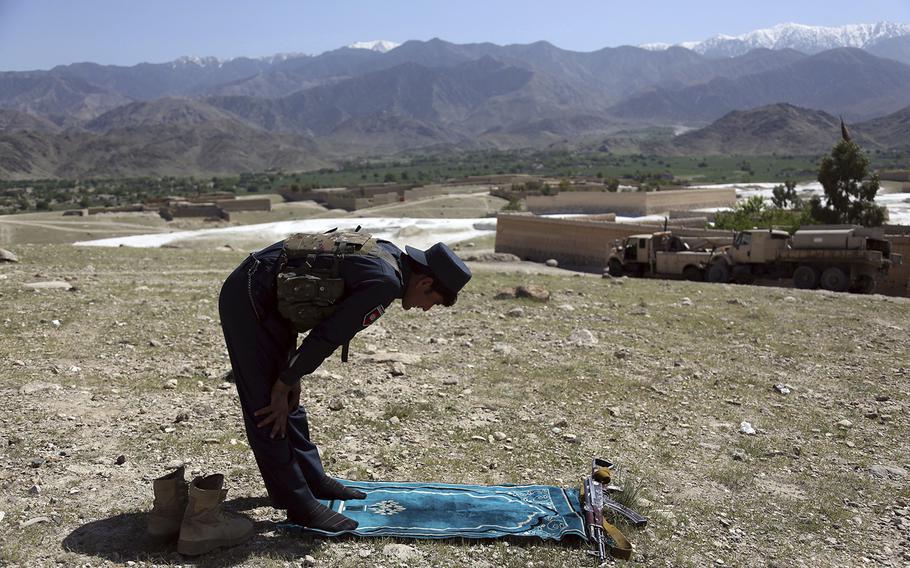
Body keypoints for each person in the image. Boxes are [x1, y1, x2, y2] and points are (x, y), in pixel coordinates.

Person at [217, 233, 471, 533]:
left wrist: (291, 375)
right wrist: (285, 380)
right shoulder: (385, 284)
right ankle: (299, 505)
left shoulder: (390, 257)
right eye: (433, 302)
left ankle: (312, 480)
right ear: (425, 283)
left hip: (273, 298)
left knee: (288, 402)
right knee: (267, 408)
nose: (426, 309)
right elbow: (328, 335)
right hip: (249, 298)